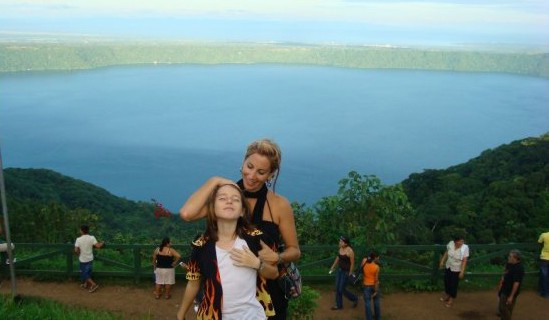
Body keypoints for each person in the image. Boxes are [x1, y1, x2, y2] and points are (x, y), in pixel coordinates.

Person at [179, 138, 301, 320]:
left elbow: (295, 251)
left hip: (268, 291)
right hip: (225, 293)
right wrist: (216, 180)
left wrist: (278, 257)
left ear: (271, 175)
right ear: (242, 163)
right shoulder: (226, 198)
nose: (251, 176)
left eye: (261, 172)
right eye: (249, 166)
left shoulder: (279, 205)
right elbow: (187, 214)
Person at [176, 183, 279, 320]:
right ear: (212, 209)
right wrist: (180, 314)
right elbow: (193, 283)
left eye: (236, 199)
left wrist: (257, 264)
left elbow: (274, 273)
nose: (229, 201)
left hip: (253, 316)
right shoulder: (201, 246)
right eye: (222, 198)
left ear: (242, 211)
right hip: (212, 315)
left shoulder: (256, 239)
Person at [328, 236, 359, 310]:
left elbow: (352, 263)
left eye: (341, 241)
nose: (339, 242)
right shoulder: (341, 249)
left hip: (346, 273)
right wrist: (333, 266)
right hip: (339, 271)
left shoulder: (350, 251)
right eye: (340, 241)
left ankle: (354, 298)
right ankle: (339, 305)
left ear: (345, 243)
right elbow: (338, 258)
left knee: (341, 289)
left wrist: (350, 273)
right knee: (338, 288)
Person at [438, 235, 469, 307]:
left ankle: (451, 299)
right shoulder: (451, 244)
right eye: (460, 241)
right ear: (455, 241)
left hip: (456, 268)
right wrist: (442, 261)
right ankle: (448, 295)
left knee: (453, 284)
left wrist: (462, 271)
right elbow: (446, 253)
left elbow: (464, 260)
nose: (462, 243)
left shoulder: (465, 248)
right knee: (447, 281)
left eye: (462, 241)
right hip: (448, 266)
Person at [74, 224, 104, 293]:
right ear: (87, 230)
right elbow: (98, 246)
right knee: (88, 272)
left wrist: (79, 254)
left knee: (84, 273)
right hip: (90, 258)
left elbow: (76, 250)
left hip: (83, 259)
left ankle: (93, 284)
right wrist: (102, 243)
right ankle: (85, 284)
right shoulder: (92, 238)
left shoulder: (78, 239)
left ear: (81, 231)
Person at [498, 249, 525, 320]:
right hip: (504, 288)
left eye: (510, 257)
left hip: (510, 291)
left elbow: (516, 283)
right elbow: (505, 271)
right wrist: (502, 280)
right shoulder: (509, 264)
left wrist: (511, 296)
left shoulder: (519, 268)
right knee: (501, 308)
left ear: (515, 258)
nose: (508, 258)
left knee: (506, 308)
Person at [360, 251, 381, 320]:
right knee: (376, 302)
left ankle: (369, 318)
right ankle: (378, 318)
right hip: (374, 285)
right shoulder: (376, 267)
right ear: (375, 258)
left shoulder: (364, 261)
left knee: (367, 303)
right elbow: (376, 280)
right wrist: (376, 290)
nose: (378, 258)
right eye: (378, 257)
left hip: (366, 285)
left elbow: (361, 269)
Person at [538, 230, 549, 297]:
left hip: (544, 257)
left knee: (544, 276)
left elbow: (539, 242)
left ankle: (545, 292)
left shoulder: (544, 235)